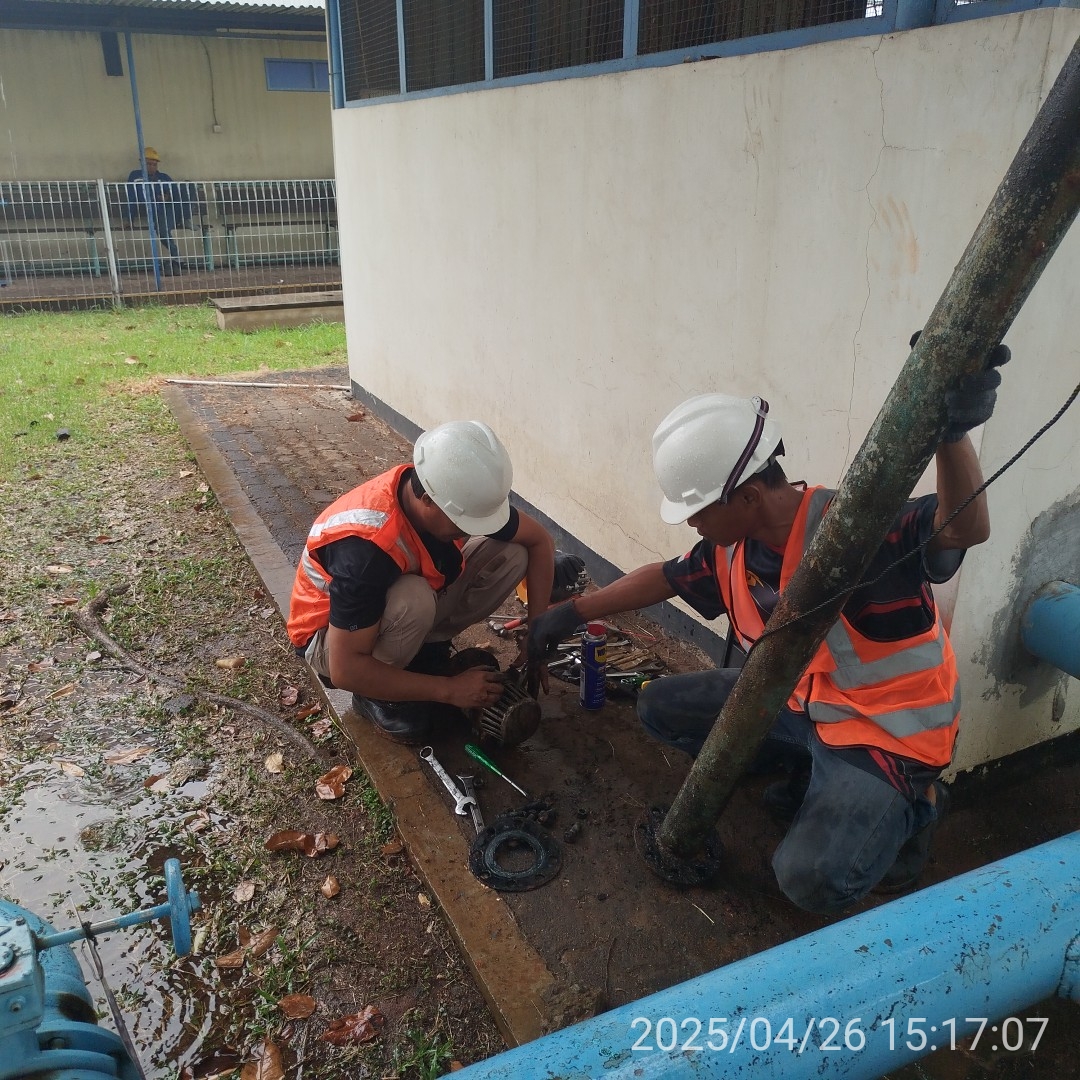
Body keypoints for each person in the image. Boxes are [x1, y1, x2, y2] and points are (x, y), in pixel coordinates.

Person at [527, 346, 1010, 914]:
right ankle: (809, 770)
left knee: (809, 880)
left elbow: (964, 528)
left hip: (886, 730)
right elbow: (663, 577)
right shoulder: (733, 549)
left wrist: (953, 436)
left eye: (699, 510)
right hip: (798, 703)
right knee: (659, 706)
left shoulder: (856, 529)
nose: (692, 522)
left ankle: (918, 806)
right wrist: (572, 611)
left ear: (750, 496)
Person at [288, 420, 556, 744]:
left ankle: (423, 652)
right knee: (413, 599)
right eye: (464, 522)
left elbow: (539, 541)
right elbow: (345, 669)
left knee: (511, 553)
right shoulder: (364, 551)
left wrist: (538, 634)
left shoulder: (449, 490)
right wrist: (448, 690)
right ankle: (375, 695)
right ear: (428, 498)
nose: (471, 530)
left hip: (393, 609)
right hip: (332, 642)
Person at [124, 147, 191, 274]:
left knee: (187, 186)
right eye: (148, 164)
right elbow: (131, 198)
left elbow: (175, 193)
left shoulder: (164, 177)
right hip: (153, 211)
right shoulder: (135, 176)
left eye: (154, 164)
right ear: (142, 163)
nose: (152, 167)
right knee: (163, 229)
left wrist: (167, 196)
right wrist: (129, 219)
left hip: (169, 209)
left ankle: (185, 218)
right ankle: (178, 258)